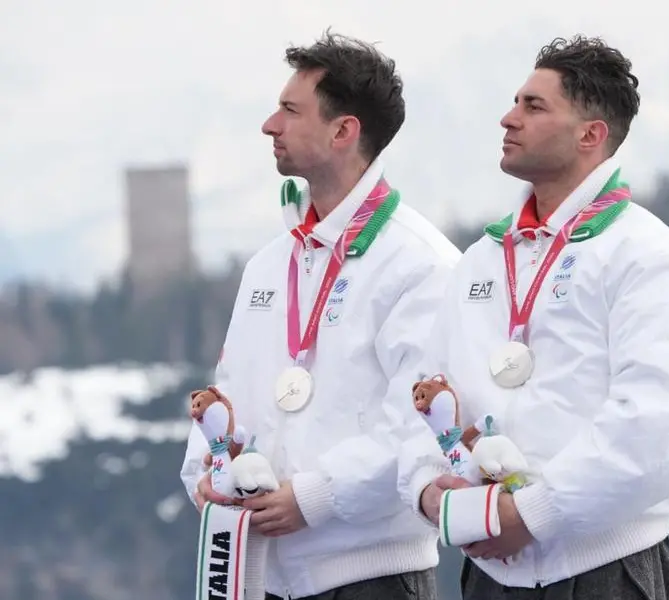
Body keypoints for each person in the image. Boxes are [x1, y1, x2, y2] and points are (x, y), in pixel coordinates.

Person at [397, 35, 669, 600]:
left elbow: (659, 421)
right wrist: (427, 489)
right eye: (515, 102)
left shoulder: (646, 253)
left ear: (590, 134)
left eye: (534, 106)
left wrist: (533, 514)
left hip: (605, 571)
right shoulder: (482, 258)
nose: (508, 118)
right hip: (487, 573)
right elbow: (425, 395)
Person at [179, 32, 460, 600]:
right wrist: (205, 476)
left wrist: (315, 496)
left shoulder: (420, 263)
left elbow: (419, 422)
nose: (269, 125)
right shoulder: (269, 264)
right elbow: (229, 393)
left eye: (289, 110)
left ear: (343, 130)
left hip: (370, 577)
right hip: (258, 573)